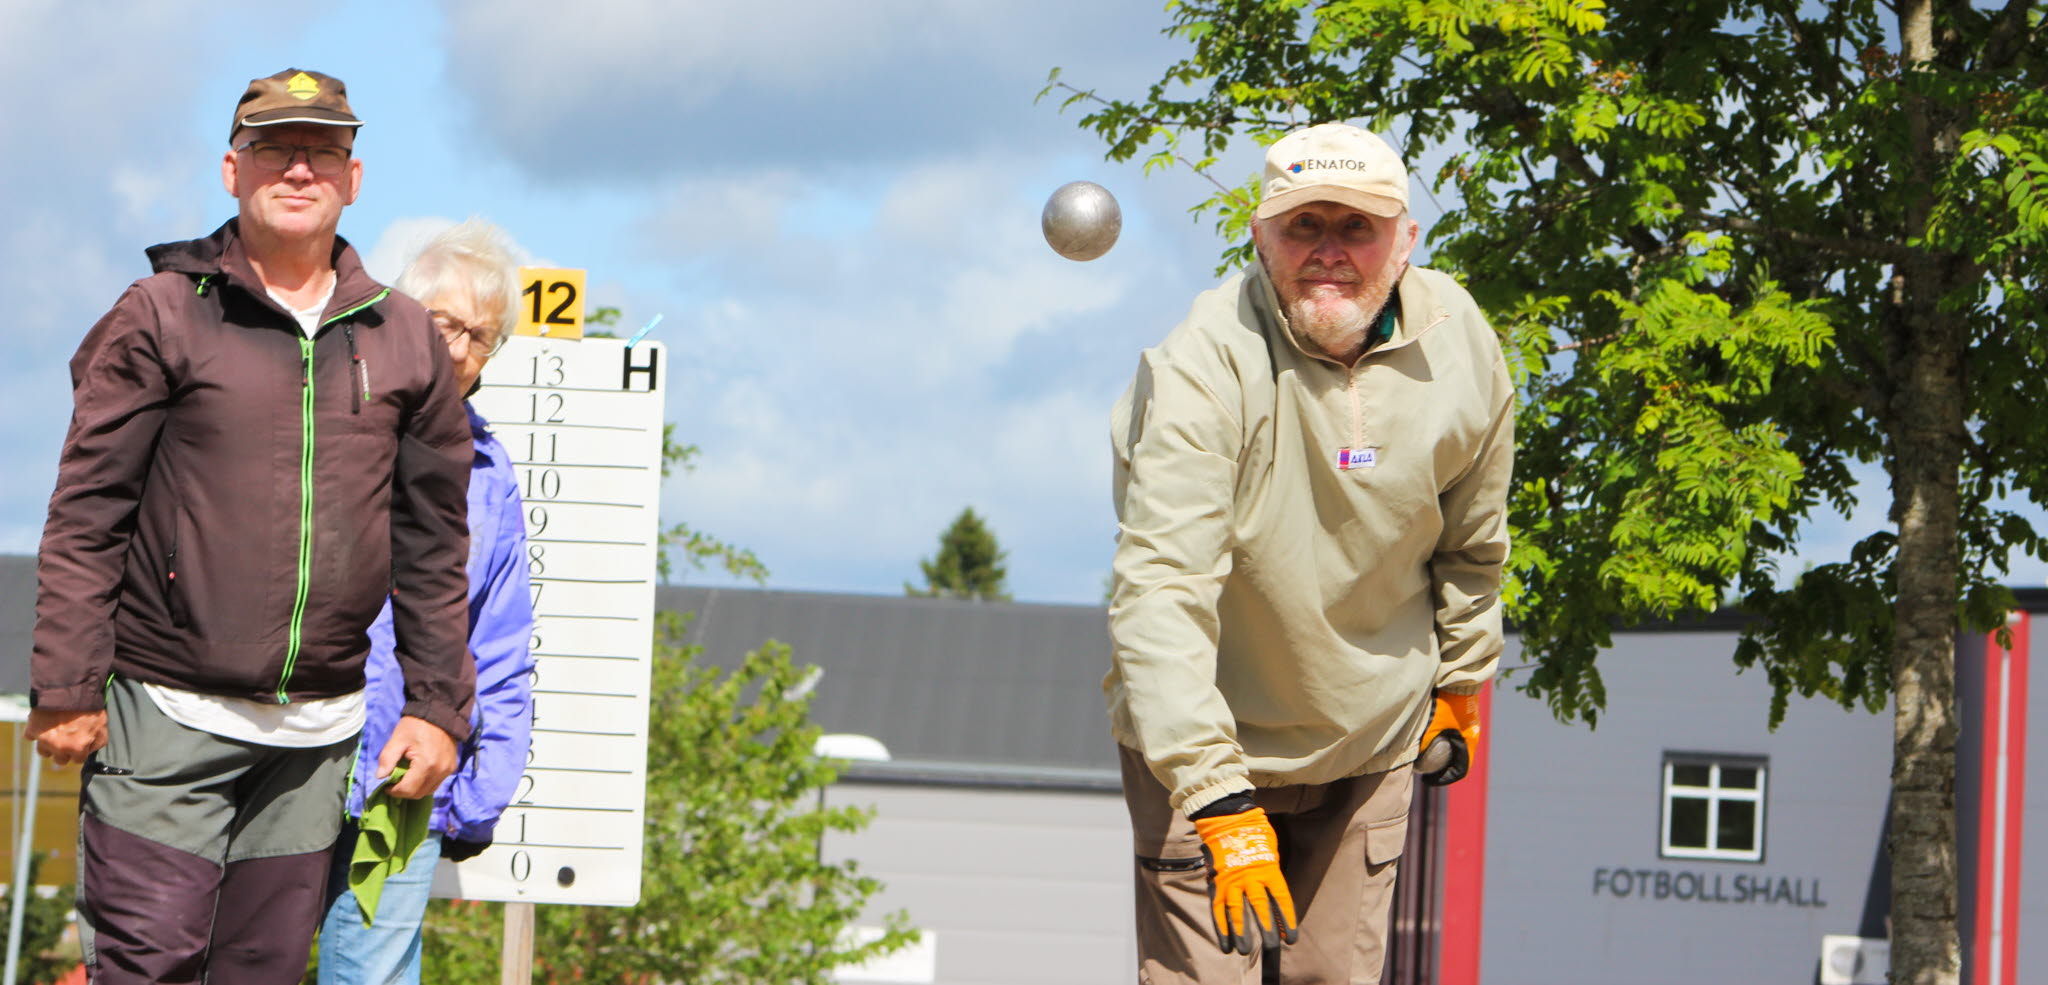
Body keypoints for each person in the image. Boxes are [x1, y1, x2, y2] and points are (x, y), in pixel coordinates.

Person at [25, 68, 475, 985]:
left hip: (315, 736)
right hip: (164, 714)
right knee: (147, 967)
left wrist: (436, 705)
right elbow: (88, 509)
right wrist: (67, 681)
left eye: (324, 150)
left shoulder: (403, 336)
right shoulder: (159, 313)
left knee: (261, 976)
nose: (299, 168)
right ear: (233, 169)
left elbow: (434, 545)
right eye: (275, 148)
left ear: (354, 178)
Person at [1106, 121, 1513, 985]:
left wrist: (1459, 687)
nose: (1329, 252)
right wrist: (1218, 798)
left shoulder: (1463, 343)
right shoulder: (1203, 366)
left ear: (1405, 241)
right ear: (1260, 236)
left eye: (1356, 227)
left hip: (1368, 740)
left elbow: (1474, 546)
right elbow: (1161, 588)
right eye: (1303, 227)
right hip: (1205, 739)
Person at [318, 219, 535, 985]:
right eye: (442, 323)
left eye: (481, 334)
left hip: (406, 776)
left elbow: (503, 641)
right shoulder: (327, 420)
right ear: (399, 316)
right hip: (291, 754)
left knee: (373, 975)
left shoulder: (489, 471)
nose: (458, 348)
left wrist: (480, 789)